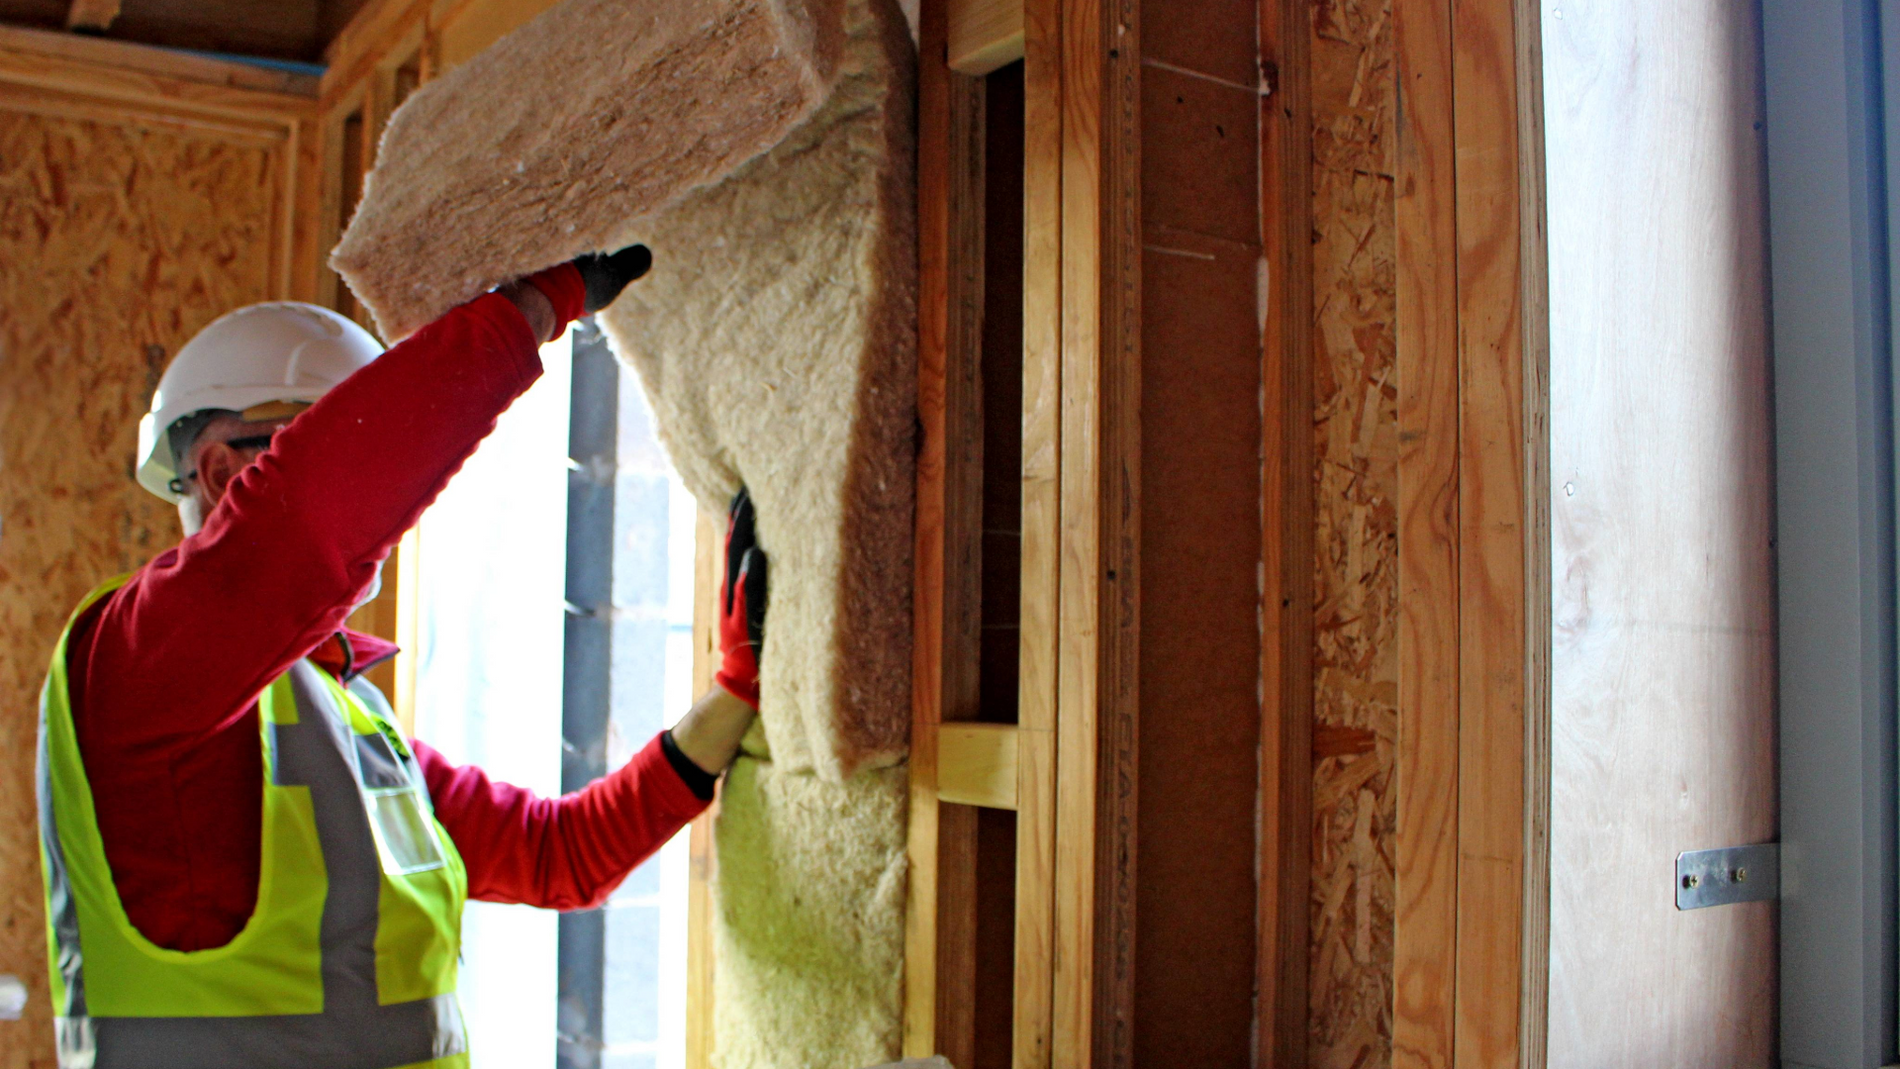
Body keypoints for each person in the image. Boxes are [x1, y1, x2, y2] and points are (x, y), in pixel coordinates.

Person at [34, 249, 765, 1069]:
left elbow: (558, 854)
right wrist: (529, 310)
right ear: (222, 471)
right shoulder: (129, 667)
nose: (395, 484)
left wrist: (733, 694)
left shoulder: (344, 726)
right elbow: (314, 520)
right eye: (335, 435)